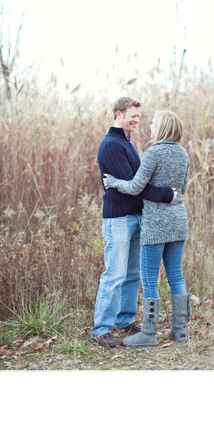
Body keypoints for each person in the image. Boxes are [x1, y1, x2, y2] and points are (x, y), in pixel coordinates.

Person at [91, 97, 175, 348]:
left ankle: (125, 320)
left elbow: (136, 183)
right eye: (133, 116)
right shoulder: (111, 145)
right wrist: (166, 195)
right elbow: (135, 186)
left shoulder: (127, 143)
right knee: (114, 274)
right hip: (119, 218)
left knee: (132, 273)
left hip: (136, 217)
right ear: (119, 114)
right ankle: (101, 330)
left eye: (139, 116)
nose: (137, 120)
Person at [104, 109, 191, 347]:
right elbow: (181, 188)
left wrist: (113, 182)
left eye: (153, 123)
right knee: (176, 275)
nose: (150, 126)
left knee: (149, 277)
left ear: (161, 127)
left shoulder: (154, 152)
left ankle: (150, 334)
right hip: (178, 221)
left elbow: (134, 187)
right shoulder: (184, 154)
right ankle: (179, 331)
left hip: (155, 224)